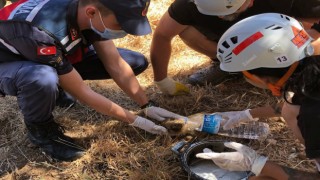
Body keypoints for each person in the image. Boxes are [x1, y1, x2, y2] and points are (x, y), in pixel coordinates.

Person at [0, 0, 185, 161]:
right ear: (91, 13)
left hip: (44, 52)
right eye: (121, 22)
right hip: (9, 61)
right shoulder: (40, 33)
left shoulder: (89, 12)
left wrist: (147, 105)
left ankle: (58, 85)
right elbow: (83, 92)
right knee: (42, 78)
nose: (124, 29)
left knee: (134, 62)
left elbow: (116, 64)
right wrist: (135, 120)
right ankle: (42, 133)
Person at [197, 13, 320, 179]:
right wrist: (247, 114)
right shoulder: (311, 71)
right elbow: (293, 102)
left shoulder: (311, 117)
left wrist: (258, 164)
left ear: (263, 75)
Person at [150, 0, 320, 95]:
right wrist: (162, 81)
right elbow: (162, 35)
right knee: (185, 30)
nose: (251, 3)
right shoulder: (190, 5)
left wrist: (304, 47)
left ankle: (283, 70)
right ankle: (228, 67)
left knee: (307, 27)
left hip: (274, 41)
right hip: (234, 41)